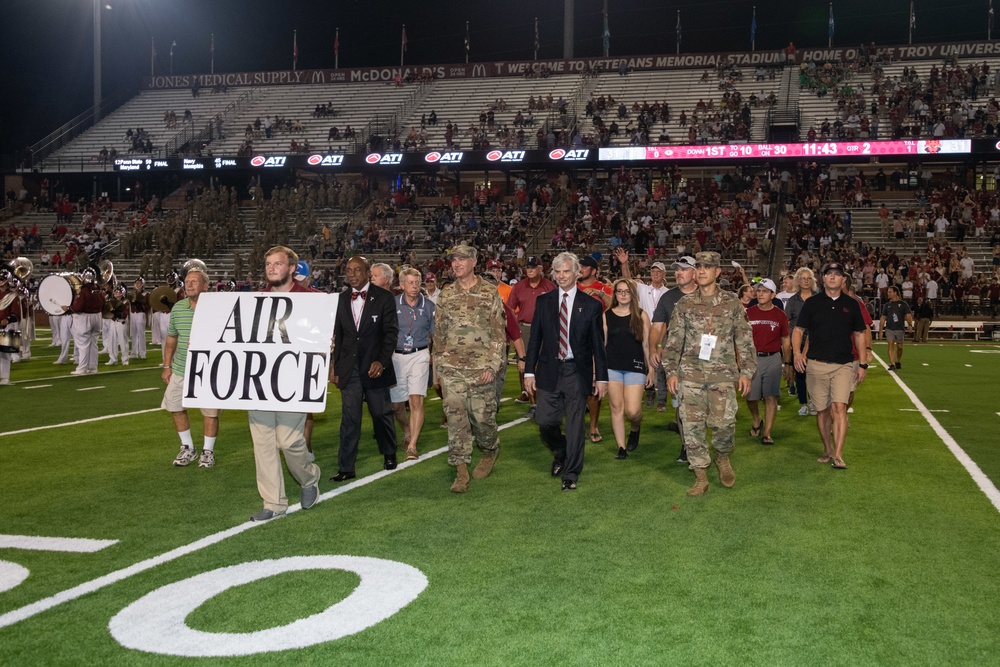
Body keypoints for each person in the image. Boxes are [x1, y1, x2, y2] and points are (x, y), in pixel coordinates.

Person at [662, 252, 756, 496]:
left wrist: (746, 371)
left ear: (717, 272)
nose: (702, 270)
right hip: (690, 375)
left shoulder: (732, 302)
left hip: (722, 375)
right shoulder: (684, 304)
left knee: (725, 424)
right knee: (692, 427)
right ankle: (700, 474)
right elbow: (673, 341)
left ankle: (722, 457)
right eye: (699, 266)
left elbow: (744, 338)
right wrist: (671, 371)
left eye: (707, 267)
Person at [246, 246, 322, 521]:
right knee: (263, 443)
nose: (271, 268)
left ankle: (310, 477)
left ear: (292, 268)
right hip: (259, 382)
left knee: (289, 441)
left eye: (277, 264)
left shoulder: (314, 300)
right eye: (268, 264)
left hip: (294, 381)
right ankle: (273, 502)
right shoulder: (255, 301)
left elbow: (323, 339)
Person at [524, 252, 609, 491]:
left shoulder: (591, 305)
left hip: (576, 371)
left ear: (577, 273)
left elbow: (597, 346)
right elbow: (535, 340)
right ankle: (560, 450)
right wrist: (529, 371)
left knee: (574, 425)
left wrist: (601, 377)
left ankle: (571, 473)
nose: (561, 276)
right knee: (544, 421)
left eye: (566, 271)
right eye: (557, 271)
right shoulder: (544, 301)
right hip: (549, 370)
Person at [434, 245, 507, 493]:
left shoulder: (489, 293)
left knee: (483, 418)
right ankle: (461, 470)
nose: (456, 263)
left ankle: (490, 449)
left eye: (462, 259)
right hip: (452, 368)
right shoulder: (445, 295)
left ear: (474, 262)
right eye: (454, 260)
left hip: (481, 369)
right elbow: (439, 334)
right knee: (455, 417)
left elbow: (499, 333)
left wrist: (492, 365)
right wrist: (439, 368)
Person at [792, 262, 869, 471]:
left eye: (837, 274)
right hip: (816, 364)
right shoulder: (812, 303)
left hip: (843, 365)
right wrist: (797, 353)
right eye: (829, 274)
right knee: (822, 411)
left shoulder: (852, 304)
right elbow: (798, 329)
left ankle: (838, 453)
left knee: (839, 407)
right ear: (823, 279)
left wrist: (862, 363)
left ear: (843, 279)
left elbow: (860, 334)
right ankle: (827, 449)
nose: (833, 277)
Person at [331, 256, 399, 482]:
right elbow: (339, 336)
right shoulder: (340, 299)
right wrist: (335, 366)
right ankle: (346, 467)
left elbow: (391, 334)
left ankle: (389, 452)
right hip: (349, 369)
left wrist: (381, 361)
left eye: (357, 270)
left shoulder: (385, 298)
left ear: (367, 272)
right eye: (348, 270)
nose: (352, 274)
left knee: (381, 414)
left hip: (374, 368)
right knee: (350, 419)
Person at [161, 264, 220, 468]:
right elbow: (171, 339)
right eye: (187, 282)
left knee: (210, 412)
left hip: (208, 369)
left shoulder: (217, 309)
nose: (189, 284)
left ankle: (208, 451)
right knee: (175, 406)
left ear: (206, 285)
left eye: (194, 281)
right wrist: (167, 366)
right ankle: (188, 448)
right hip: (180, 368)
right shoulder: (178, 308)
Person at [649, 256, 698, 461]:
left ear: (694, 273)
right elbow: (657, 327)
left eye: (683, 269)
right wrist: (654, 347)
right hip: (676, 361)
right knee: (681, 405)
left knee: (700, 407)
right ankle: (688, 446)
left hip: (703, 362)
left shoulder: (707, 294)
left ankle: (697, 442)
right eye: (676, 269)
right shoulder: (668, 298)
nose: (678, 272)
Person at [604, 278, 654, 460]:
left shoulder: (641, 315)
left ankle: (635, 427)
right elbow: (603, 344)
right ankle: (621, 447)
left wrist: (651, 370)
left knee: (633, 411)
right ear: (615, 294)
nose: (623, 294)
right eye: (619, 291)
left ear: (633, 294)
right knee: (616, 408)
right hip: (612, 367)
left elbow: (647, 345)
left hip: (635, 366)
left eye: (626, 291)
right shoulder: (607, 315)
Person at [390, 267, 435, 461]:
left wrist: (436, 357)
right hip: (397, 356)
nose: (415, 286)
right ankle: (407, 428)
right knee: (396, 405)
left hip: (420, 354)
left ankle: (413, 445)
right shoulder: (392, 305)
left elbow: (435, 335)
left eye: (417, 282)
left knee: (416, 399)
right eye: (410, 282)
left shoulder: (429, 306)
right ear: (401, 285)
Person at [615, 248, 669, 410]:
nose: (655, 274)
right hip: (645, 330)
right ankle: (650, 391)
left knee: (661, 364)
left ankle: (661, 398)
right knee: (645, 362)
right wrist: (625, 264)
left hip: (662, 332)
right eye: (653, 271)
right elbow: (627, 280)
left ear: (664, 274)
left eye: (658, 271)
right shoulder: (643, 289)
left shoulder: (668, 293)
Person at [506, 256, 555, 411]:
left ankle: (544, 396)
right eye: (528, 267)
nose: (530, 270)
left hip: (545, 329)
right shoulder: (519, 286)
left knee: (544, 363)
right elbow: (509, 309)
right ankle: (533, 401)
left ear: (541, 269)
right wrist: (513, 330)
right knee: (526, 363)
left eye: (533, 267)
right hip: (525, 328)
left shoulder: (550, 286)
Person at [745, 279, 791, 445]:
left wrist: (787, 363)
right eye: (759, 290)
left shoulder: (780, 315)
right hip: (752, 358)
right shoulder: (748, 312)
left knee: (771, 396)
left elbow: (785, 340)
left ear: (773, 295)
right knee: (750, 397)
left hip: (772, 358)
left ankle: (767, 433)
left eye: (765, 291)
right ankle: (757, 418)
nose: (760, 294)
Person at [577, 254, 613, 443]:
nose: (580, 269)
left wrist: (599, 294)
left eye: (583, 266)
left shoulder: (604, 288)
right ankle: (576, 425)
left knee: (593, 387)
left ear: (593, 270)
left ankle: (593, 426)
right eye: (579, 266)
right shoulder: (571, 286)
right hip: (572, 342)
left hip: (595, 342)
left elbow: (616, 307)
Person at [784, 267, 817, 416]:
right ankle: (803, 403)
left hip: (817, 342)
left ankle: (815, 402)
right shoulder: (792, 300)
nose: (805, 281)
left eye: (808, 278)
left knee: (816, 374)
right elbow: (787, 322)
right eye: (803, 278)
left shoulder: (819, 298)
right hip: (798, 342)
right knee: (800, 374)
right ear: (798, 280)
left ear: (812, 281)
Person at [67, 267, 104, 376]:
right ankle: (93, 367)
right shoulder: (99, 289)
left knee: (83, 344)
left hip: (85, 318)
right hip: (97, 317)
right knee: (93, 343)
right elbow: (103, 303)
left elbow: (77, 307)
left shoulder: (84, 291)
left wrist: (69, 308)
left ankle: (82, 368)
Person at [880, 286, 913, 370]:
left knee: (900, 347)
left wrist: (910, 325)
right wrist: (881, 330)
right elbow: (883, 318)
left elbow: (908, 315)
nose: (888, 293)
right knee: (890, 345)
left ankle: (898, 361)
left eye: (890, 292)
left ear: (895, 293)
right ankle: (892, 364)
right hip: (889, 328)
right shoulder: (887, 305)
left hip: (900, 328)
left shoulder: (903, 304)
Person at [0, 275, 22, 385]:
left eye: (2, 280)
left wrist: (8, 319)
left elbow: (16, 314)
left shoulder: (13, 296)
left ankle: (5, 378)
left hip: (8, 326)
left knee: (5, 353)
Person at [105, 284, 130, 366]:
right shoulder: (111, 302)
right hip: (113, 322)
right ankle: (113, 358)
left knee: (123, 341)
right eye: (115, 292)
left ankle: (125, 359)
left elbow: (124, 314)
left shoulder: (125, 301)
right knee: (111, 341)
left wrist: (115, 311)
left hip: (121, 322)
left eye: (118, 292)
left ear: (122, 293)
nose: (116, 294)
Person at [128, 277, 148, 361]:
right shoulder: (132, 293)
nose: (137, 285)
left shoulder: (145, 294)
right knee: (134, 334)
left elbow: (146, 305)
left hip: (140, 313)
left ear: (142, 284)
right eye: (136, 283)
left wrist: (138, 301)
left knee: (141, 334)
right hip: (133, 313)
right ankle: (134, 352)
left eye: (139, 283)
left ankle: (142, 353)